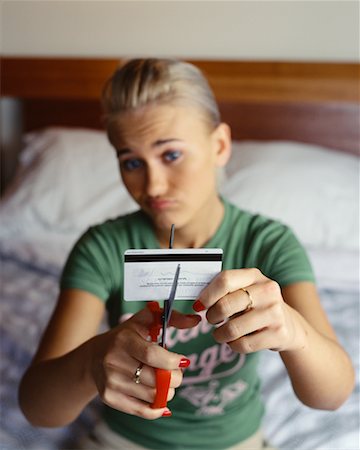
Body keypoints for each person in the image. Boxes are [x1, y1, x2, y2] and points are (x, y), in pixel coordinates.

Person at [19, 58, 355, 450]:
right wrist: (92, 359)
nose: (153, 185)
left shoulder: (268, 244)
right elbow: (40, 410)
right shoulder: (103, 248)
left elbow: (332, 395)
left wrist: (295, 331)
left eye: (171, 155)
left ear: (220, 146)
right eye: (131, 162)